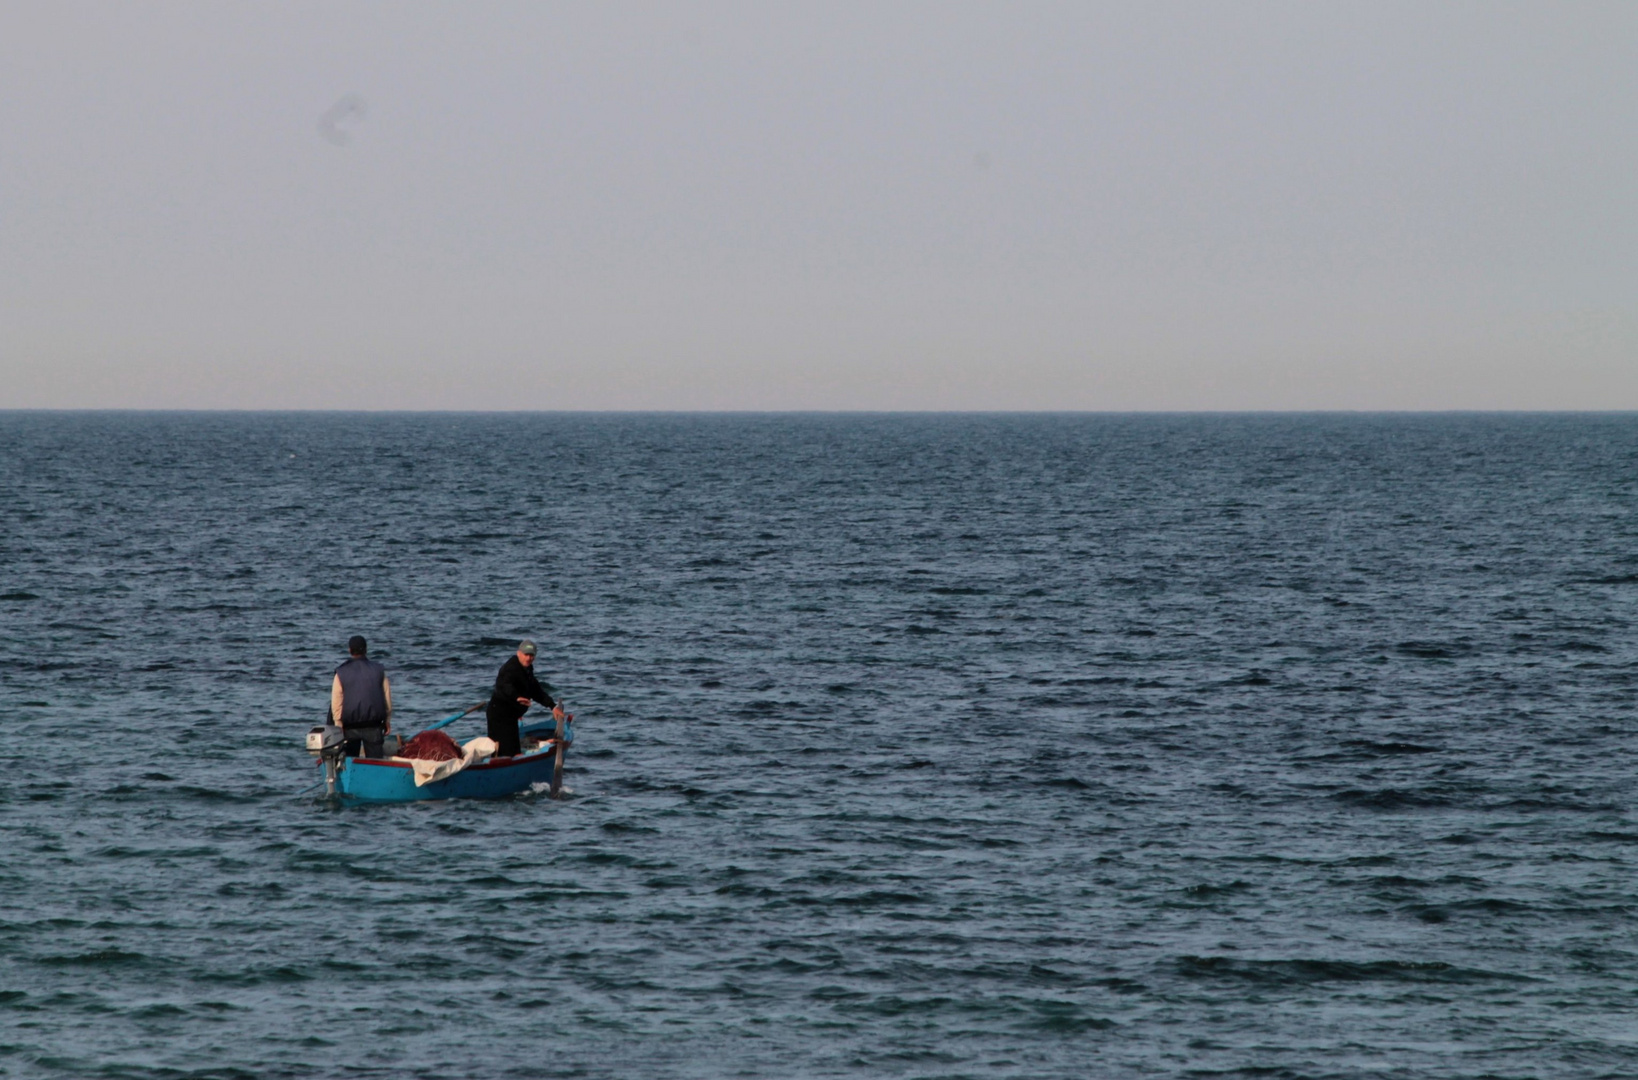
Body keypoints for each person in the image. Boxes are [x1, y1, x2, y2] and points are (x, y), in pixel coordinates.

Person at [486, 639, 563, 757]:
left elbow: (536, 690)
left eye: (531, 655)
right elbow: (504, 685)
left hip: (510, 716)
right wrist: (516, 697)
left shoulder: (527, 670)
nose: (528, 658)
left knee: (509, 749)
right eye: (526, 655)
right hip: (500, 714)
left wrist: (552, 706)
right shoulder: (511, 668)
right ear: (519, 654)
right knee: (507, 753)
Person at [329, 635, 392, 758]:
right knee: (376, 764)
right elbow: (386, 697)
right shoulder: (379, 670)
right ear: (366, 650)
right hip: (374, 725)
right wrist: (388, 720)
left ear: (349, 650)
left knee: (350, 760)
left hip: (349, 727)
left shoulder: (341, 672)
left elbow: (337, 701)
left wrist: (338, 724)